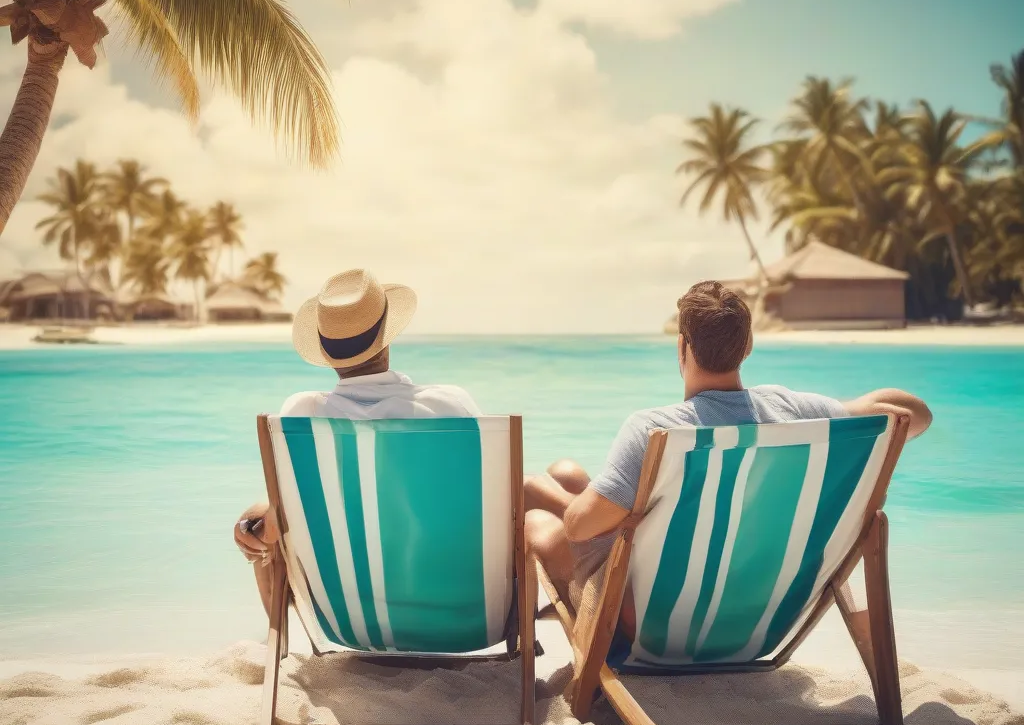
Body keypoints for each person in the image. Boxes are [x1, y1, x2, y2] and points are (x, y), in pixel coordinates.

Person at [524, 280, 932, 636]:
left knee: (537, 511)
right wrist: (856, 418)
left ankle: (520, 636)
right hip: (760, 621)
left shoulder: (655, 429)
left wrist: (570, 507)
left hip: (649, 624)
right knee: (567, 474)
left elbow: (578, 528)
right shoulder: (792, 411)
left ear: (682, 346)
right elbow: (916, 415)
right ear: (748, 345)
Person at [233, 268, 481, 614]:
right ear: (387, 337)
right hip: (459, 612)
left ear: (327, 351)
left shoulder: (300, 414)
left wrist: (260, 513)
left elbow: (292, 503)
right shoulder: (447, 406)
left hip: (346, 618)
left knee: (260, 523)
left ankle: (281, 643)